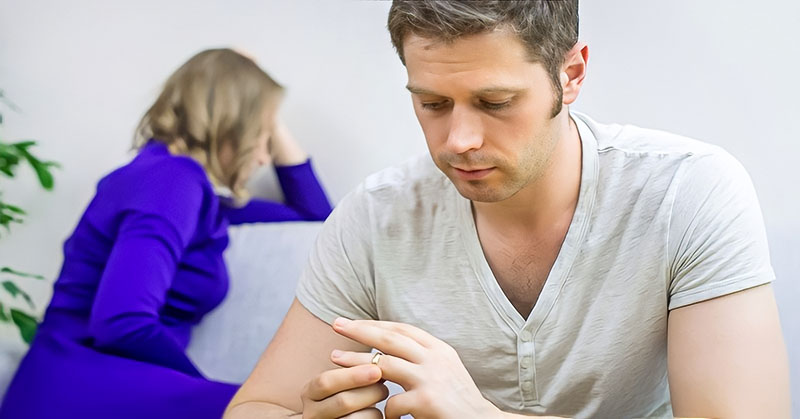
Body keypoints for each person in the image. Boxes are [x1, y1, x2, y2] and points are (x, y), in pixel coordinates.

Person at [226, 1, 791, 418]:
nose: (459, 140)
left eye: (495, 103)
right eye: (432, 104)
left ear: (570, 76)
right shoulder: (374, 217)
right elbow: (255, 408)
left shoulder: (686, 193)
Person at [0, 48, 332, 419]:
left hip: (77, 380)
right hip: (76, 384)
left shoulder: (184, 190)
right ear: (232, 126)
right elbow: (122, 323)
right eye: (262, 136)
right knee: (280, 410)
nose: (263, 158)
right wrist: (205, 386)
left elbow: (317, 220)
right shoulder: (171, 182)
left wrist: (268, 112)